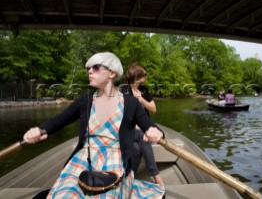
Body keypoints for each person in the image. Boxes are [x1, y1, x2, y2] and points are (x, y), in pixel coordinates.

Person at [23, 52, 165, 198]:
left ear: (112, 73)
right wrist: (39, 130)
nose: (90, 71)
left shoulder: (130, 103)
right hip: (84, 159)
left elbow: (151, 127)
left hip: (115, 161)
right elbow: (56, 122)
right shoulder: (85, 102)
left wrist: (156, 132)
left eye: (96, 67)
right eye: (89, 68)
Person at [122, 62, 165, 188]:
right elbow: (123, 117)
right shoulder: (124, 91)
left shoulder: (144, 90)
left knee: (136, 147)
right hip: (130, 128)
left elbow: (153, 109)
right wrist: (141, 129)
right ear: (137, 77)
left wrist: (140, 98)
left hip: (145, 127)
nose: (146, 76)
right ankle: (156, 175)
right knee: (142, 136)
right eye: (144, 74)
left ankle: (130, 175)